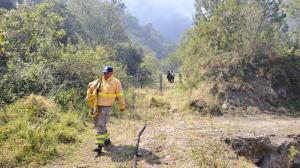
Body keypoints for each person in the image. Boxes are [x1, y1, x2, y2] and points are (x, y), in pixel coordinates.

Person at [85, 66, 126, 154]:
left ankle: (99, 146)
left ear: (111, 73)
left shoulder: (116, 82)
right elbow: (91, 85)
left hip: (107, 107)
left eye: (107, 73)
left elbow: (120, 95)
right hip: (96, 106)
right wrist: (91, 85)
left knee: (101, 124)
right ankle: (107, 139)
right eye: (104, 73)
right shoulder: (99, 80)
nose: (105, 74)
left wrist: (122, 106)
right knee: (97, 123)